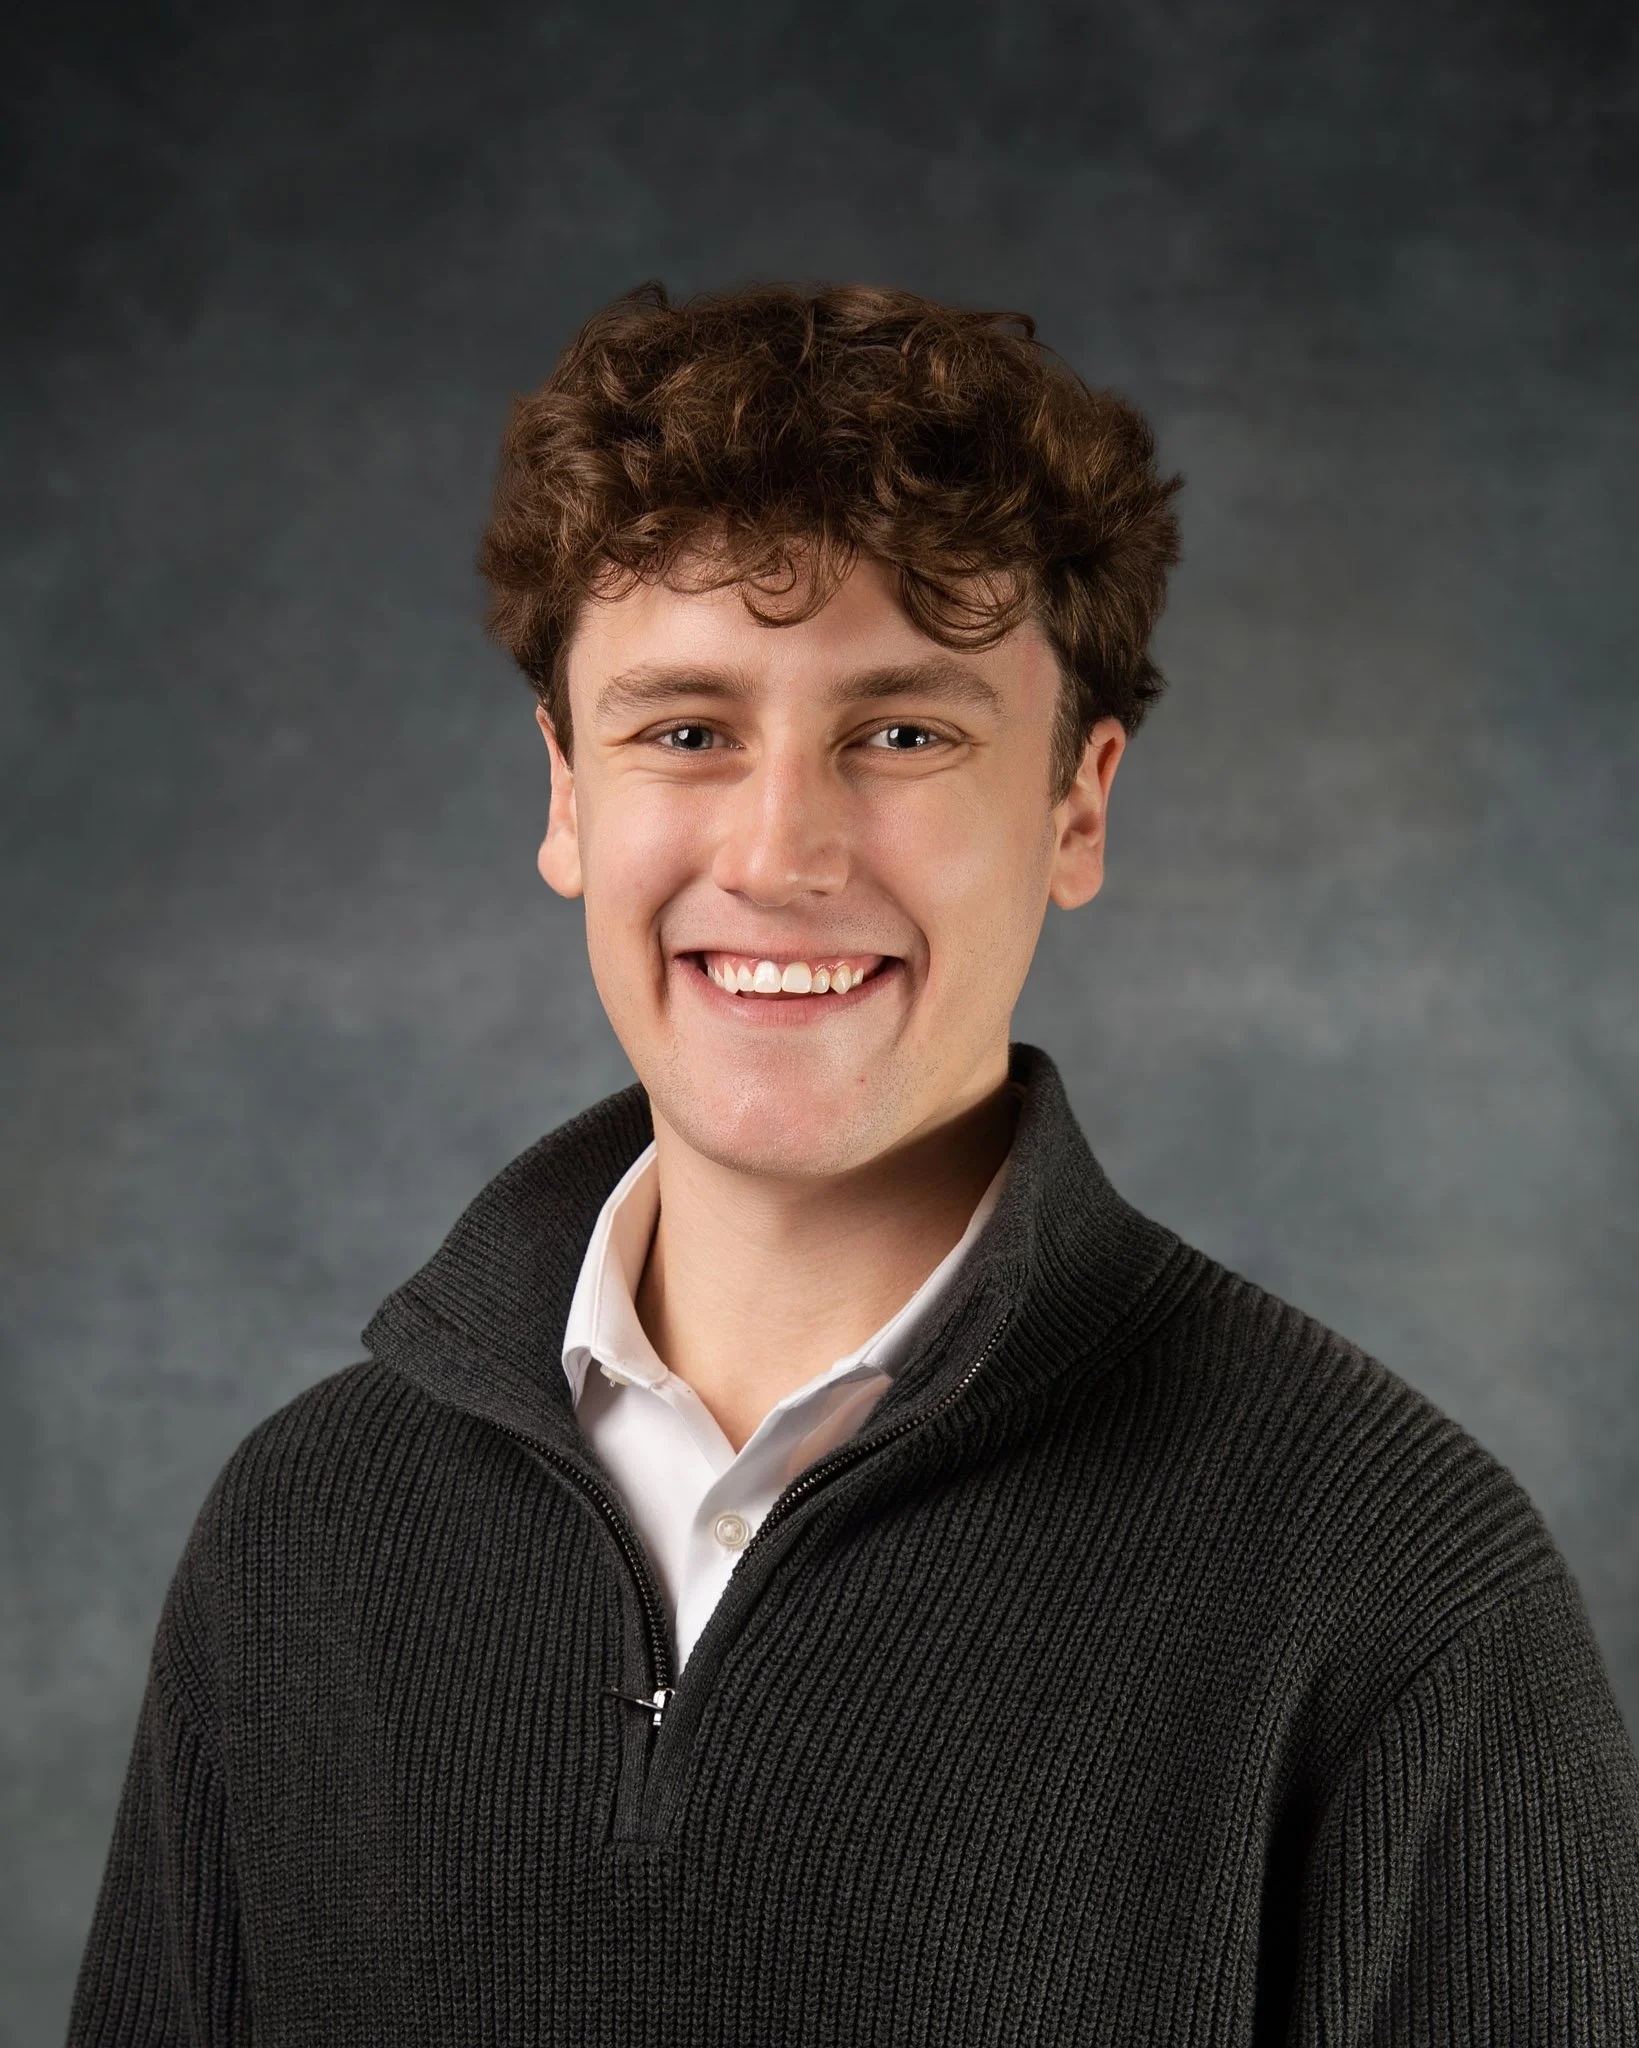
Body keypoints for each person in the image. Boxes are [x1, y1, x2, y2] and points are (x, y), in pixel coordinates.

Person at [70, 282, 1639, 2046]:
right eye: (685, 730)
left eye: (901, 733)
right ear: (566, 797)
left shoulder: (1389, 1590)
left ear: (1076, 805)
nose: (780, 851)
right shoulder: (302, 1540)